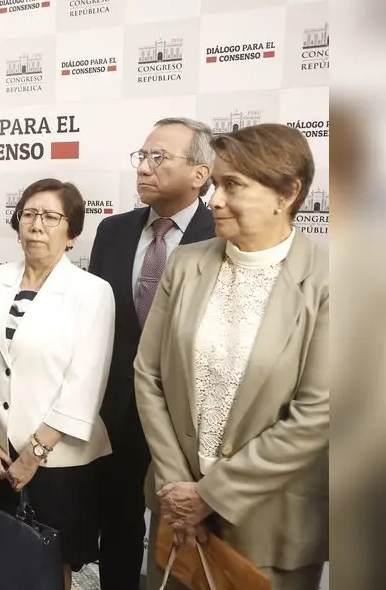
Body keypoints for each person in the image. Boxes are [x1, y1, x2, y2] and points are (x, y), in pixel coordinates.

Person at [135, 123, 329, 590]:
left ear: (287, 193)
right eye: (217, 183)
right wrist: (180, 491)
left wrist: (211, 495)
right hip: (175, 513)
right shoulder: (186, 263)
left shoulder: (332, 281)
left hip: (269, 527)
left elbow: (318, 413)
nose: (215, 198)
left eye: (233, 185)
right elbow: (148, 375)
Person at [0, 178, 115, 589]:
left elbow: (84, 384)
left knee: (48, 566)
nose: (36, 225)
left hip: (57, 458)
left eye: (51, 217)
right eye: (29, 214)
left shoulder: (92, 292)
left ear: (72, 234)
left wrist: (32, 455)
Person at [88, 117, 216, 590]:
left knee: (183, 533)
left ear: (200, 174)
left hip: (189, 420)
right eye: (141, 157)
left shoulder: (222, 235)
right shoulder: (113, 231)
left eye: (158, 157)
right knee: (117, 524)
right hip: (117, 410)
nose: (143, 167)